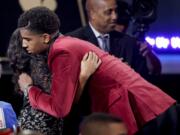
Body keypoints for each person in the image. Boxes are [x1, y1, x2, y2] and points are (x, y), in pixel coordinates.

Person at [17, 7, 179, 135]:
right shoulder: (66, 44)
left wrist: (29, 89)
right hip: (143, 112)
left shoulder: (62, 50)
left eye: (27, 39)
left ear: (45, 38)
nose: (24, 44)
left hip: (147, 113)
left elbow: (60, 109)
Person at [7, 28, 100, 135]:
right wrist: (84, 76)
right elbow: (66, 104)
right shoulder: (39, 69)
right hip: (41, 127)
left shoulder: (25, 72)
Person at [67, 0, 161, 79]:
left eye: (116, 11)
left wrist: (129, 73)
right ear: (92, 14)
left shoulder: (128, 42)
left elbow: (147, 76)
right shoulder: (73, 42)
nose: (115, 17)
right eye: (109, 12)